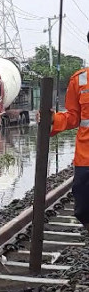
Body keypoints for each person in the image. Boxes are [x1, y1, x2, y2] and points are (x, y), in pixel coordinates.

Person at [44, 31, 89, 230]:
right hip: (86, 156)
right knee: (83, 207)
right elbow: (73, 117)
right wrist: (52, 119)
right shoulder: (79, 80)